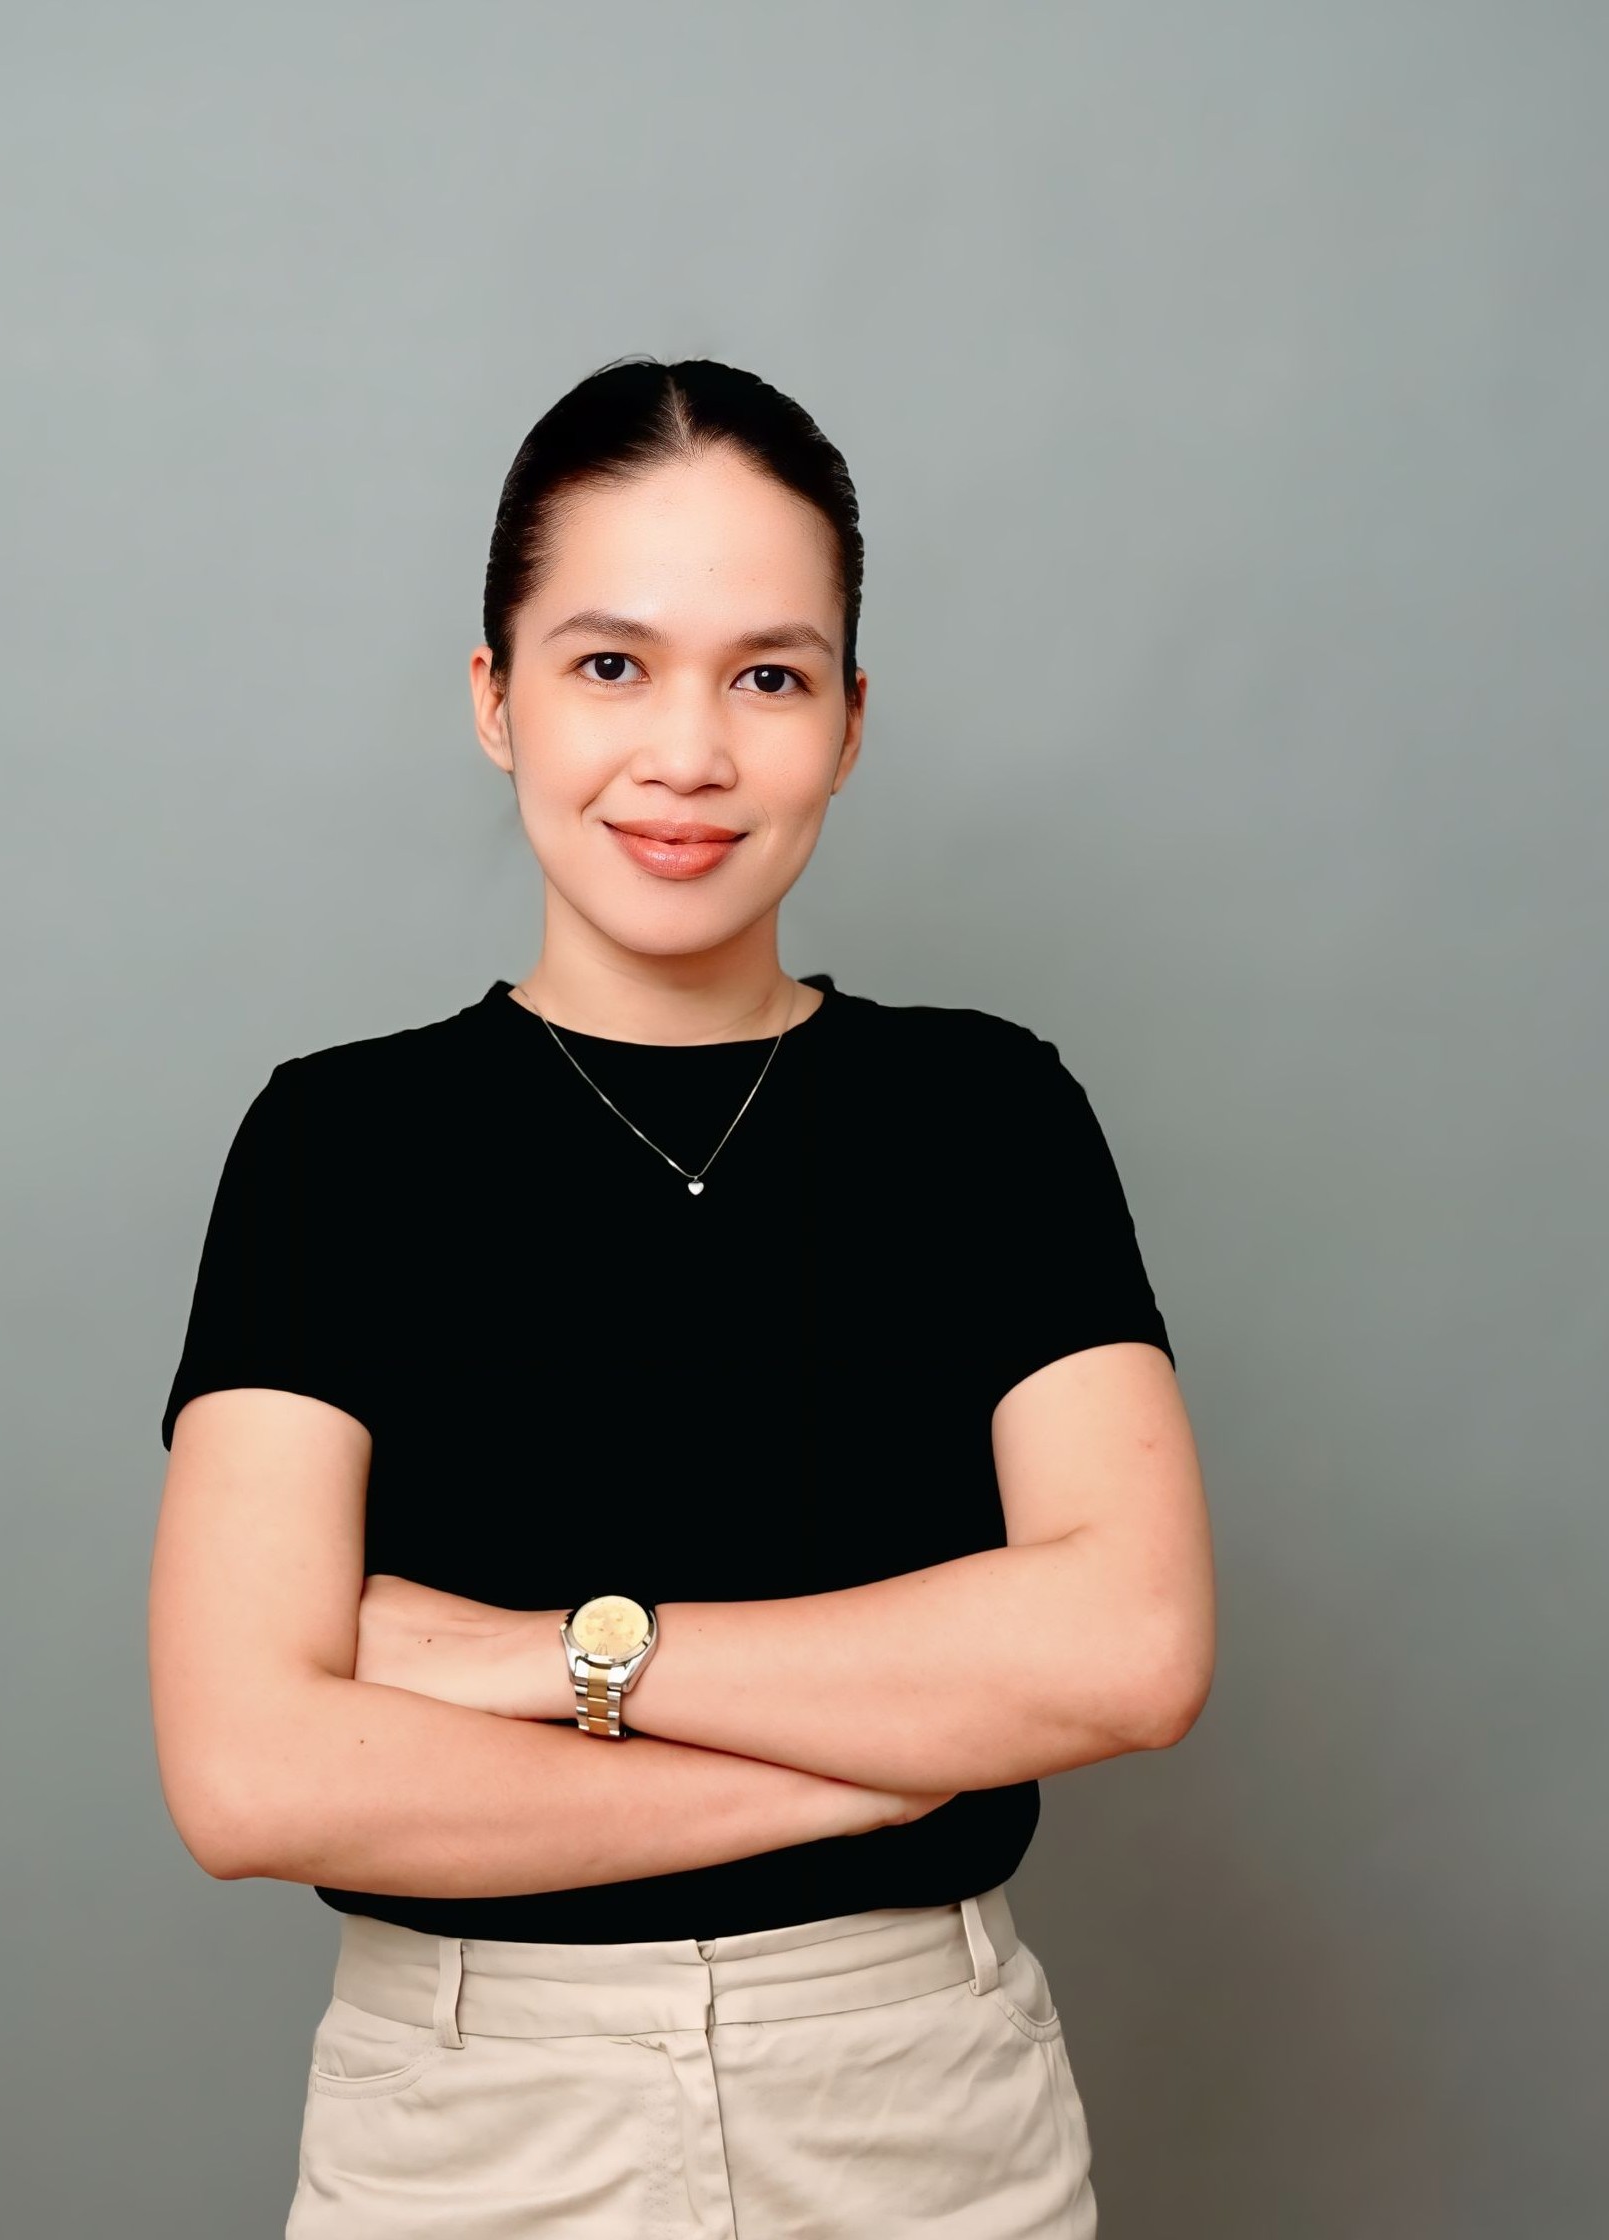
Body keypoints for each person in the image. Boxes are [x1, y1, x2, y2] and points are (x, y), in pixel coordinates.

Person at [149, 354, 1214, 2238]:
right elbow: (251, 1775)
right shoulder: (335, 1144)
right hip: (469, 2129)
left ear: (852, 721)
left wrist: (547, 1658)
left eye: (770, 677)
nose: (689, 754)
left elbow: (1129, 1647)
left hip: (922, 2115)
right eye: (610, 664)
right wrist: (876, 1772)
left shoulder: (989, 1113)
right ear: (496, 697)